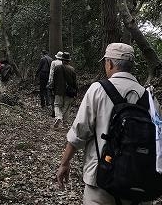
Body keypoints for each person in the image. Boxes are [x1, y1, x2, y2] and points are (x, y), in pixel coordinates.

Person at [56, 43, 153, 205]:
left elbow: (79, 132)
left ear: (110, 63)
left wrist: (64, 163)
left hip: (101, 181)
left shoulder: (98, 90)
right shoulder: (148, 97)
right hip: (138, 183)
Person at [51, 51, 77, 128]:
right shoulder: (72, 69)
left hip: (58, 90)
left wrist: (53, 89)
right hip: (69, 91)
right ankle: (65, 123)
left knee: (57, 105)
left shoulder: (57, 68)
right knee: (67, 107)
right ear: (69, 61)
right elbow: (74, 82)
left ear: (62, 60)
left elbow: (54, 80)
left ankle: (58, 117)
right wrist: (75, 92)